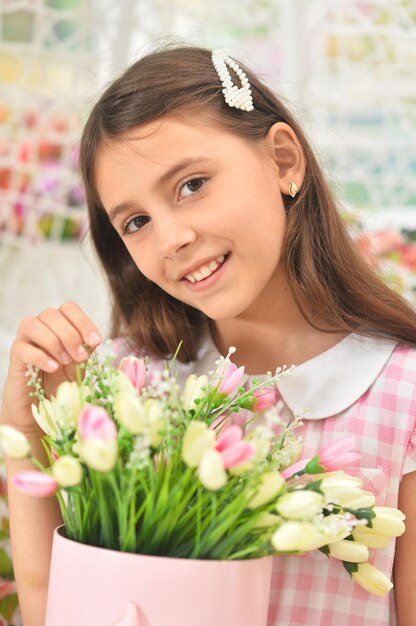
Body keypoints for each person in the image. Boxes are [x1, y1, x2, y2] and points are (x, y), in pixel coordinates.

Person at [1, 44, 415, 626]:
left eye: (192, 185)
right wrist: (26, 428)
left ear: (283, 161)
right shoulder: (126, 387)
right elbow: (54, 611)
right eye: (136, 222)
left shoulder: (401, 396)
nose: (170, 238)